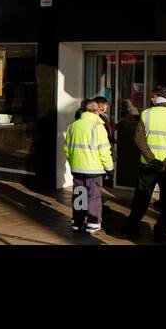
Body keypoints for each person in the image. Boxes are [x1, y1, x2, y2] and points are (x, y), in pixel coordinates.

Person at [124, 84, 166, 242]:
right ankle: (161, 230)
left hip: (148, 165)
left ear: (157, 99)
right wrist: (165, 164)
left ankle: (132, 227)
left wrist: (152, 159)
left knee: (141, 197)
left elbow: (138, 139)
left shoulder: (146, 114)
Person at [63, 98, 115, 233]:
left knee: (79, 195)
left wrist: (73, 163)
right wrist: (109, 169)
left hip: (77, 168)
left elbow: (67, 150)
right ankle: (93, 223)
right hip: (94, 169)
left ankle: (77, 222)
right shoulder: (98, 127)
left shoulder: (73, 126)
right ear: (97, 111)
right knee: (94, 196)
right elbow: (104, 151)